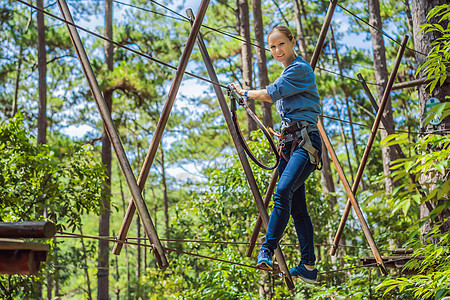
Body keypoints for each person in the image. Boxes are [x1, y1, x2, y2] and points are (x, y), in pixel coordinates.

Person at [231, 25, 322, 284]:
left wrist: (244, 92)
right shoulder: (287, 73)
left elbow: (271, 94)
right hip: (290, 144)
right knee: (298, 209)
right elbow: (275, 95)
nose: (277, 50)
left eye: (281, 44)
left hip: (306, 142)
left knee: (283, 192)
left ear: (292, 42)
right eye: (272, 46)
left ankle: (266, 250)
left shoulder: (300, 69)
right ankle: (308, 266)